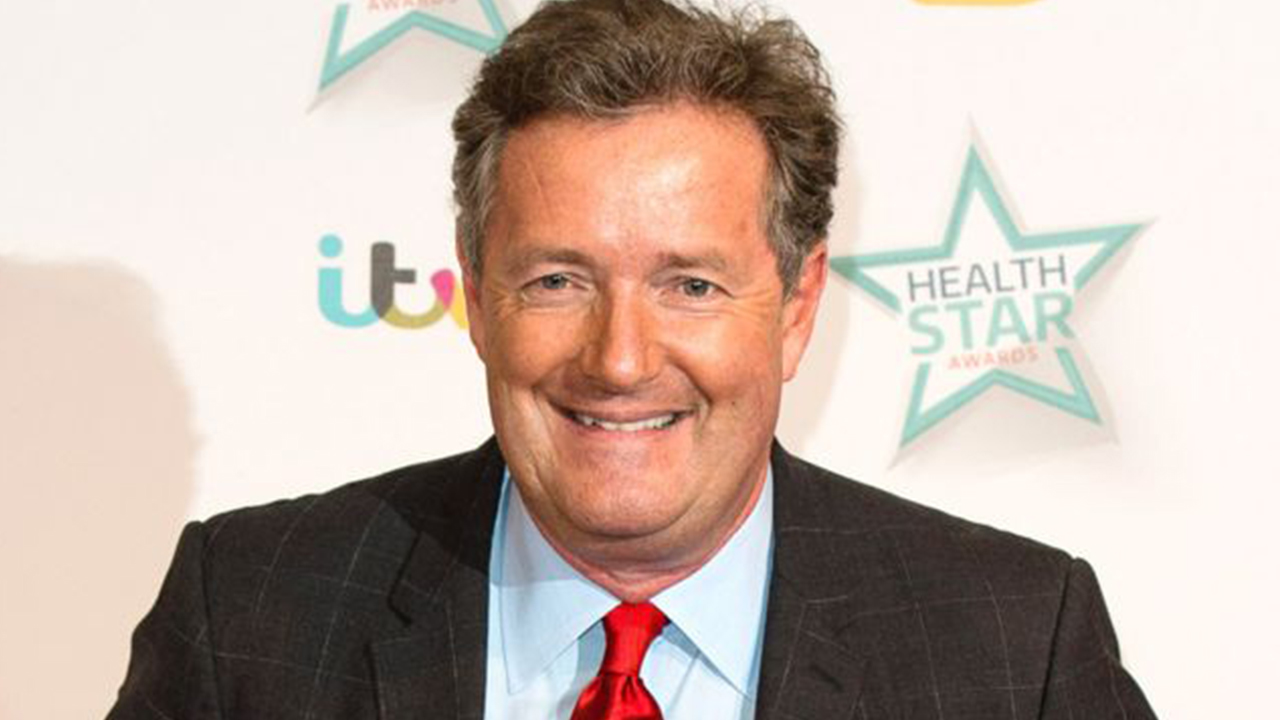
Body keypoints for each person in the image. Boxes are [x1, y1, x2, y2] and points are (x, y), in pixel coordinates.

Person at [108, 1, 1158, 718]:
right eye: (556, 280)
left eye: (689, 285)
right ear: (475, 296)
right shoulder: (248, 614)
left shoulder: (1011, 648)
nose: (618, 361)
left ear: (796, 305)